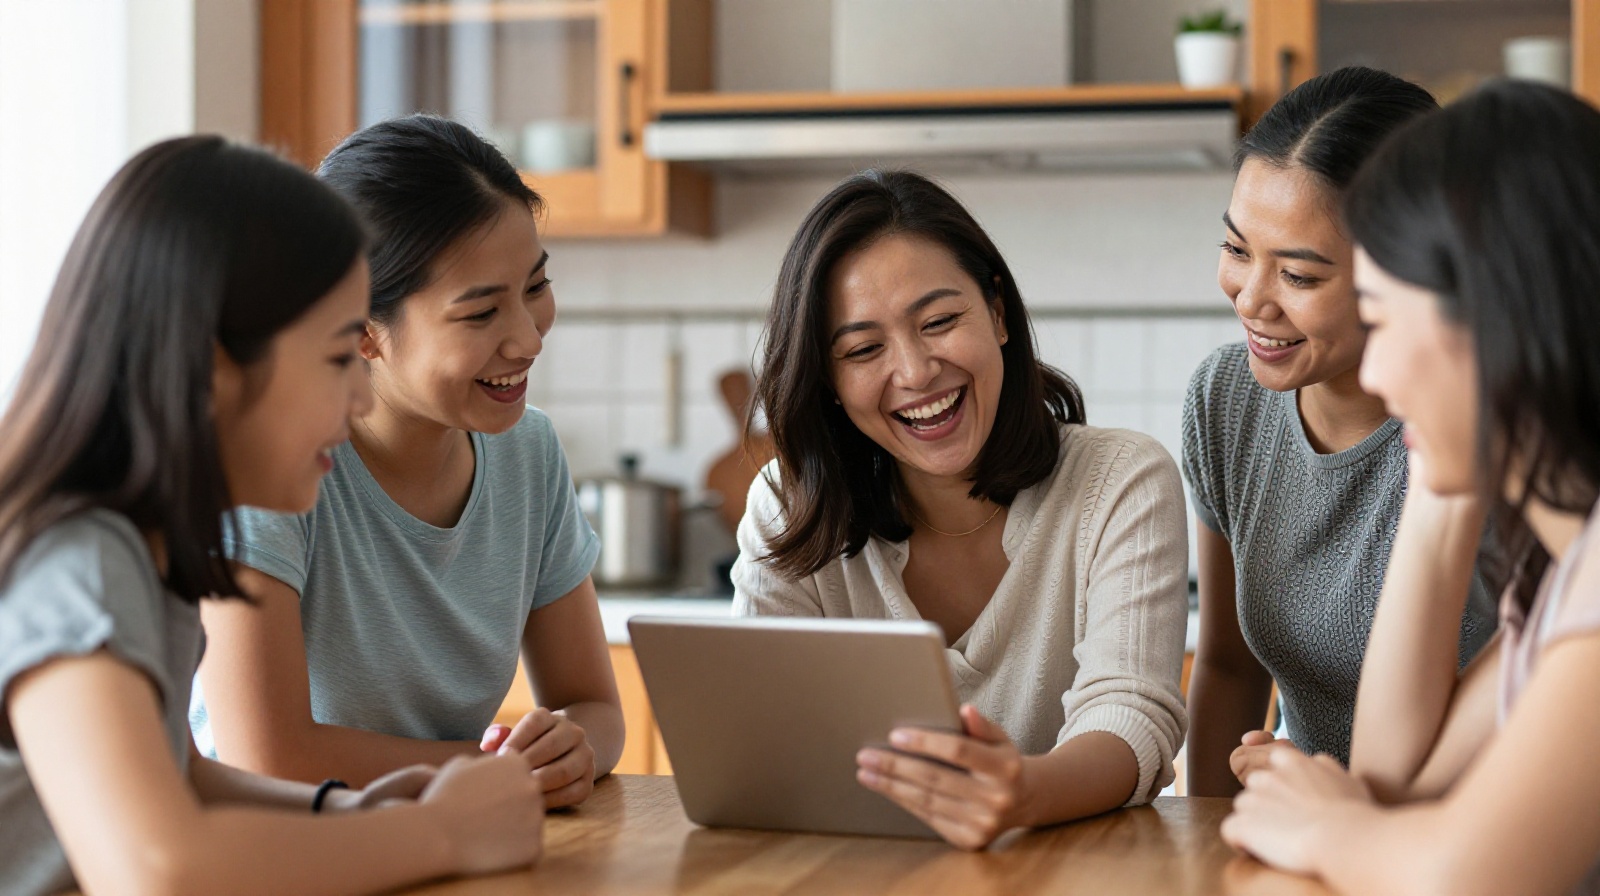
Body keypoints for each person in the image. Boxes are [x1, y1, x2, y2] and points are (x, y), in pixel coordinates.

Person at [0, 136, 544, 896]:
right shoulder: (80, 563)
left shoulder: (149, 549)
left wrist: (345, 811)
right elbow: (158, 869)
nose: (360, 397)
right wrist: (436, 834)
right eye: (334, 359)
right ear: (213, 368)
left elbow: (181, 774)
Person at [732, 169, 1189, 849]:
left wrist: (1022, 794)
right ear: (828, 380)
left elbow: (1130, 712)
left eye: (940, 322)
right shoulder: (787, 504)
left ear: (998, 314)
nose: (915, 372)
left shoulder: (1119, 479)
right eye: (863, 350)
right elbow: (758, 740)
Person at [1221, 80, 1600, 896]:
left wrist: (1325, 820)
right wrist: (1441, 489)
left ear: (1498, 329)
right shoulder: (1560, 577)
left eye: (1385, 322)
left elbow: (1456, 877)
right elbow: (1396, 783)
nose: (1381, 379)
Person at [189, 115, 622, 807]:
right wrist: (490, 771)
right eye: (480, 314)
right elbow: (264, 756)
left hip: (438, 837)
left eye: (534, 287)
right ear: (361, 329)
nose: (527, 338)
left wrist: (571, 748)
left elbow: (593, 705)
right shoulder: (269, 469)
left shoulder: (528, 452)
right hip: (274, 854)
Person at [1182, 66, 1497, 796]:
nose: (1251, 299)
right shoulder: (1225, 399)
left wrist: (1338, 804)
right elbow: (1229, 665)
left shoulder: (1475, 436)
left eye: (1299, 275)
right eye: (1236, 250)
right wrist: (1206, 842)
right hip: (1321, 833)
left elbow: (1519, 729)